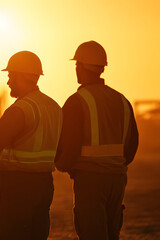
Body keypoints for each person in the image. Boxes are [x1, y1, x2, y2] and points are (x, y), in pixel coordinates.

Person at [0, 51, 62, 240]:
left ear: (22, 75)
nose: (8, 82)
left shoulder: (21, 109)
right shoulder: (54, 107)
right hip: (44, 184)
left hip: (19, 187)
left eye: (10, 75)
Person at [54, 41, 139, 240]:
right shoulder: (122, 100)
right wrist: (115, 165)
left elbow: (69, 145)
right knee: (112, 234)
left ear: (80, 67)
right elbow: (132, 145)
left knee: (92, 233)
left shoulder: (77, 101)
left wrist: (61, 165)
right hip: (117, 179)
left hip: (90, 179)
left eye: (76, 65)